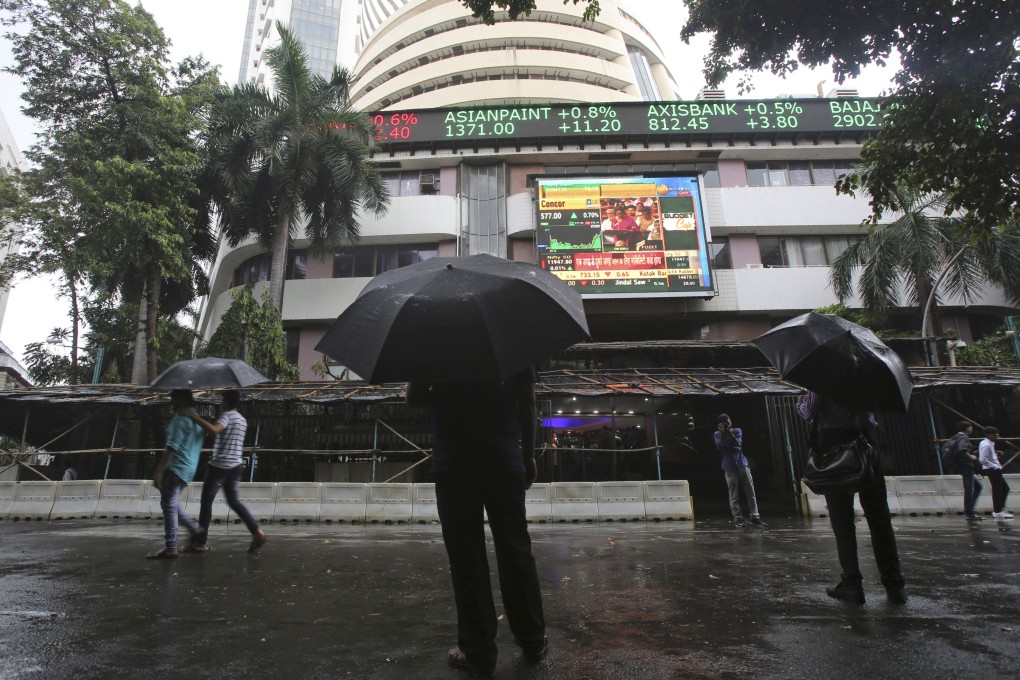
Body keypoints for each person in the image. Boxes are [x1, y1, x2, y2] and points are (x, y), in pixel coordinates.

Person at [407, 370, 547, 677]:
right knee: (515, 549)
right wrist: (529, 456)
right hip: (503, 458)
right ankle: (533, 640)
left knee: (466, 556)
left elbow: (413, 397)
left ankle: (478, 653)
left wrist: (449, 395)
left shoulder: (436, 342)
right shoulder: (511, 339)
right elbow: (528, 402)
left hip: (455, 461)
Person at [796, 391, 906, 604]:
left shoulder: (826, 374)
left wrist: (800, 402)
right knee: (879, 517)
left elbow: (809, 412)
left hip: (834, 444)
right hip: (867, 441)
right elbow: (871, 415)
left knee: (842, 520)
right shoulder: (866, 376)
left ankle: (852, 583)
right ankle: (894, 583)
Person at [185, 390, 268, 552]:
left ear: (227, 402)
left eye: (223, 400)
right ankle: (256, 532)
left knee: (206, 502)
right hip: (235, 467)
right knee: (233, 501)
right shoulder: (243, 420)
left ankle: (201, 542)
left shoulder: (227, 416)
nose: (221, 403)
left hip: (219, 466)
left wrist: (193, 417)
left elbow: (215, 430)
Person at [146, 389, 205, 559]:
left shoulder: (181, 419)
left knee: (169, 505)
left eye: (173, 398)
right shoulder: (196, 419)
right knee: (171, 503)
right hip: (189, 468)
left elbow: (172, 447)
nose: (171, 401)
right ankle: (193, 529)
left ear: (180, 400)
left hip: (176, 467)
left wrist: (159, 470)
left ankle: (171, 546)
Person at [713, 414, 765, 528]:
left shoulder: (737, 431)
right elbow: (719, 447)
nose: (728, 424)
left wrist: (729, 432)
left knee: (751, 493)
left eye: (728, 421)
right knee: (733, 496)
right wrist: (722, 432)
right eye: (725, 422)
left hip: (742, 465)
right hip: (729, 467)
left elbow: (738, 443)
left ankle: (755, 517)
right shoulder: (717, 434)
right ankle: (738, 519)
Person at [943, 421, 982, 520]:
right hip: (966, 465)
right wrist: (971, 457)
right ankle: (969, 512)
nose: (971, 429)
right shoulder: (963, 437)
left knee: (977, 487)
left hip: (959, 466)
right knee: (970, 488)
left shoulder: (955, 437)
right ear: (967, 428)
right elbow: (962, 450)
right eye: (970, 427)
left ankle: (970, 510)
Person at [978, 426, 1012, 520]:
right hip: (992, 470)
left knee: (1004, 488)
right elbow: (982, 459)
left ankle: (1000, 508)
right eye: (995, 434)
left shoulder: (987, 443)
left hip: (993, 469)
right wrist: (995, 466)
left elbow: (988, 456)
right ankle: (998, 511)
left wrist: (997, 454)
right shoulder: (986, 445)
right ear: (989, 435)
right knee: (997, 490)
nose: (997, 436)